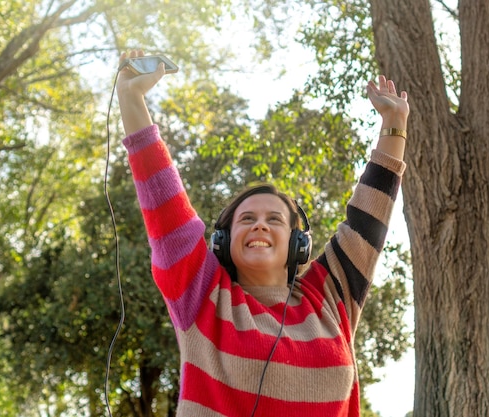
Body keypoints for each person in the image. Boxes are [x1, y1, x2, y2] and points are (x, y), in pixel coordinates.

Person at [117, 50, 408, 417]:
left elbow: (369, 218)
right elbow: (165, 205)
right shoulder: (202, 294)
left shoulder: (331, 295)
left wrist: (395, 124)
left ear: (297, 243)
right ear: (222, 242)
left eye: (275, 219)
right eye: (247, 219)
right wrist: (131, 98)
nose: (260, 224)